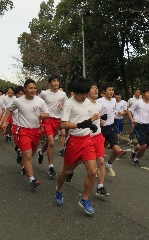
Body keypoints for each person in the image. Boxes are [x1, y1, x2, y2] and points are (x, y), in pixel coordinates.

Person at [54, 76, 100, 214]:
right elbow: (63, 124)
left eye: (87, 93)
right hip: (74, 141)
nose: (85, 96)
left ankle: (84, 200)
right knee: (66, 171)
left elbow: (85, 118)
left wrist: (91, 125)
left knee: (92, 172)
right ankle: (59, 189)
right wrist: (80, 125)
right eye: (83, 94)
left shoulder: (87, 102)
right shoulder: (69, 104)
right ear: (74, 93)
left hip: (87, 140)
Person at [2, 79, 49, 189]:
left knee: (30, 155)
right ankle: (32, 179)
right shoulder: (18, 101)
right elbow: (9, 110)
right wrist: (4, 121)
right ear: (25, 89)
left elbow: (47, 113)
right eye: (30, 88)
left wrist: (44, 116)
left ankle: (21, 157)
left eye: (34, 88)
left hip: (36, 131)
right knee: (28, 156)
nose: (33, 90)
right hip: (23, 131)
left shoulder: (40, 101)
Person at [37, 75, 68, 177]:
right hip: (48, 119)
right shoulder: (44, 94)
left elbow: (67, 107)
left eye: (57, 81)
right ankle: (51, 167)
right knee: (51, 142)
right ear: (50, 83)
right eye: (54, 81)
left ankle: (41, 152)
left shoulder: (63, 94)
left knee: (49, 142)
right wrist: (40, 116)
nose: (56, 83)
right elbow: (37, 103)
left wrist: (62, 107)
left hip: (57, 120)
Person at [97, 82, 126, 177]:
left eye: (112, 90)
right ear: (104, 91)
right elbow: (94, 112)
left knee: (117, 150)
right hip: (101, 129)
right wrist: (99, 119)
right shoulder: (100, 101)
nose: (111, 91)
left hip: (111, 127)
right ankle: (98, 168)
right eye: (109, 90)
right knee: (99, 152)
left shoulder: (114, 101)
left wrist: (118, 114)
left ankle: (108, 165)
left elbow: (117, 109)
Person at [127, 87, 149, 167]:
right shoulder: (138, 103)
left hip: (146, 126)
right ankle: (134, 153)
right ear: (143, 94)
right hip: (138, 125)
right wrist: (132, 120)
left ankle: (135, 157)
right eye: (148, 93)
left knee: (146, 145)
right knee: (143, 145)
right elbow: (129, 111)